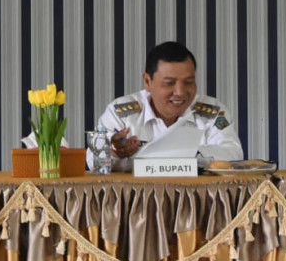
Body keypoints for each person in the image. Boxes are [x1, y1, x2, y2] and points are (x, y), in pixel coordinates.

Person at [94, 41, 244, 171]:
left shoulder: (214, 112)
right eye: (169, 83)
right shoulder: (120, 113)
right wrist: (114, 154)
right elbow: (94, 162)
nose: (180, 92)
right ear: (147, 81)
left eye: (189, 82)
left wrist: (180, 152)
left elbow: (233, 154)